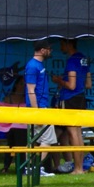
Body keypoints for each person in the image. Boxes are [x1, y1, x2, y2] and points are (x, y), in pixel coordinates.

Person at [52, 39, 92, 176]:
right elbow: (88, 84)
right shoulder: (83, 59)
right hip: (81, 98)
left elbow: (71, 85)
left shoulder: (72, 61)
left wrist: (58, 81)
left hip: (70, 99)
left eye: (62, 43)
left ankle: (78, 168)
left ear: (69, 44)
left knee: (72, 133)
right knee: (78, 132)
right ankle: (80, 167)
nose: (60, 46)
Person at [25, 40, 58, 177]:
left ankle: (30, 168)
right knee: (47, 140)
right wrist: (36, 111)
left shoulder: (38, 65)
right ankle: (35, 167)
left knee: (34, 140)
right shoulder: (33, 66)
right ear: (42, 50)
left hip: (40, 107)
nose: (50, 51)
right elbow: (30, 90)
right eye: (49, 48)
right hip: (38, 109)